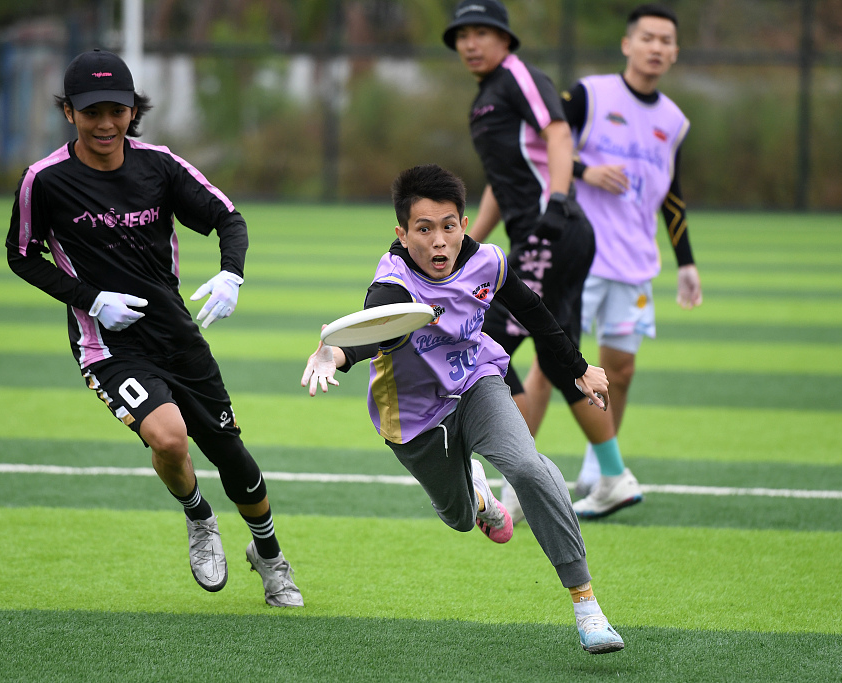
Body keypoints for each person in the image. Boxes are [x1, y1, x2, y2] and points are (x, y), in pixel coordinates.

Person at [5, 49, 302, 607]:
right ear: (69, 113)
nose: (105, 123)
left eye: (116, 110)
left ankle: (269, 556)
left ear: (132, 111)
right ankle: (199, 518)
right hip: (108, 344)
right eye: (91, 112)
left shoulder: (159, 165)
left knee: (232, 455)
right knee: (167, 435)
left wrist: (230, 275)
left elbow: (226, 217)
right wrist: (90, 300)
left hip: (177, 336)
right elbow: (22, 255)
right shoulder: (44, 181)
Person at [301, 164, 625, 654]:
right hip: (411, 416)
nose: (438, 242)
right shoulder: (392, 281)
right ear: (402, 233)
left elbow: (532, 309)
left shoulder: (488, 262)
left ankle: (586, 605)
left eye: (448, 226)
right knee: (456, 518)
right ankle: (476, 500)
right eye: (424, 229)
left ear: (464, 225)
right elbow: (378, 328)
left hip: (476, 382)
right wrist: (337, 353)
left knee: (529, 468)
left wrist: (578, 367)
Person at [444, 0, 643, 521]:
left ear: (505, 39)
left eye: (481, 32)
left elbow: (557, 133)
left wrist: (555, 202)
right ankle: (612, 474)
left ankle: (520, 474)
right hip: (541, 236)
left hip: (553, 231)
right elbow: (501, 183)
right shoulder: (486, 97)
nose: (470, 43)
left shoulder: (518, 77)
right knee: (558, 361)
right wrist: (464, 243)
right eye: (462, 35)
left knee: (489, 341)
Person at [526, 4, 704, 515]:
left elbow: (673, 193)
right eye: (647, 37)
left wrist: (686, 261)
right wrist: (584, 170)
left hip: (635, 264)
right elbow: (544, 146)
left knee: (619, 371)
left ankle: (599, 476)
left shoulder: (673, 120)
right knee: (548, 364)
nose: (656, 47)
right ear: (628, 44)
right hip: (578, 254)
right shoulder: (590, 93)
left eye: (666, 40)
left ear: (674, 52)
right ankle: (517, 473)